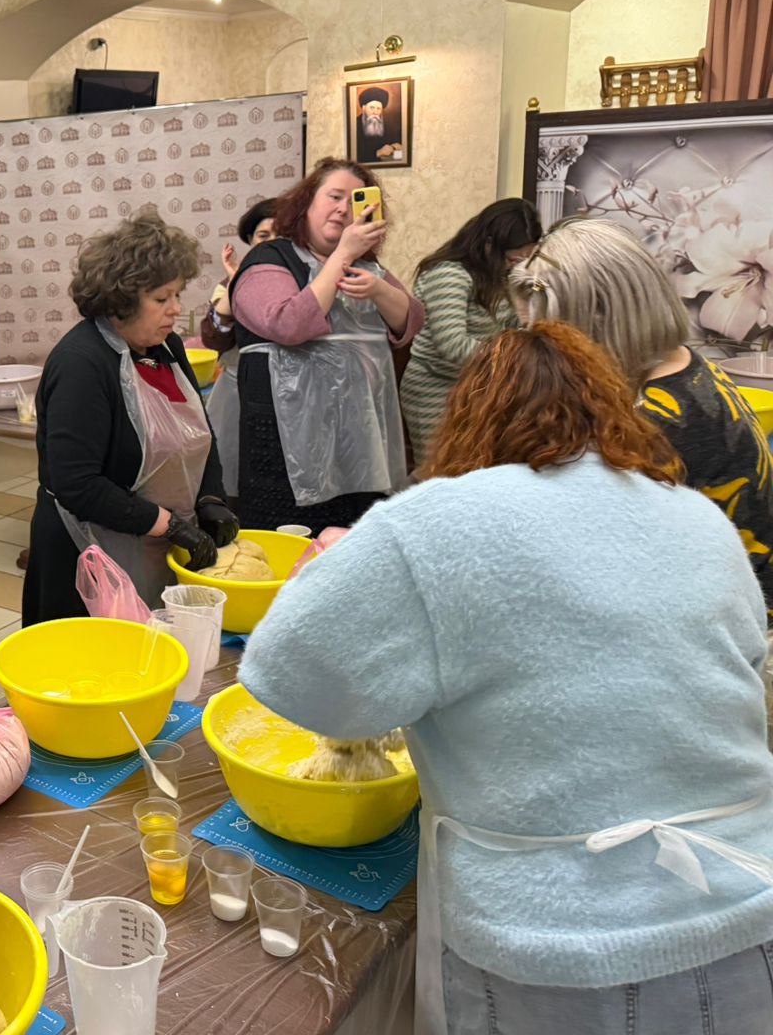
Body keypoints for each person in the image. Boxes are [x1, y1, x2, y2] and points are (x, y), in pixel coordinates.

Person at [242, 323, 773, 1035]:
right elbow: (744, 676)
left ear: (468, 421)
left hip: (552, 947)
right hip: (746, 903)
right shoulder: (698, 519)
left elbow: (284, 670)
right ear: (614, 408)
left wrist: (334, 576)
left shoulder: (437, 523)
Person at [511, 217, 773, 610]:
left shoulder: (658, 419)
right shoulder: (686, 365)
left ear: (595, 323)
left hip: (724, 610)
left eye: (547, 337)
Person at [23, 210, 237, 625]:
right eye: (161, 299)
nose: (176, 310)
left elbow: (199, 433)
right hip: (86, 551)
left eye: (177, 295)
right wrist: (168, 525)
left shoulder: (166, 348)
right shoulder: (81, 363)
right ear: (120, 301)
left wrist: (210, 499)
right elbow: (77, 484)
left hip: (152, 540)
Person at [227, 158, 424, 533]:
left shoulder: (369, 268)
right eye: (334, 196)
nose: (343, 209)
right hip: (285, 443)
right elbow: (289, 323)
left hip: (358, 440)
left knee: (353, 540)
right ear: (306, 203)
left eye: (354, 201)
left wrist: (379, 290)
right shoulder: (268, 259)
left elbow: (411, 322)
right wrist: (343, 255)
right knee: (289, 542)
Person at [399, 198, 541, 463]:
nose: (516, 266)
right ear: (489, 245)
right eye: (512, 259)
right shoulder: (449, 273)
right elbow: (453, 344)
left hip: (477, 388)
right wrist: (514, 360)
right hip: (435, 390)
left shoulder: (495, 276)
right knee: (440, 471)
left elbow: (510, 327)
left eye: (525, 259)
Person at [200, 198, 277, 502]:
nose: (272, 243)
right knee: (231, 479)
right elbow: (213, 339)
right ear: (250, 241)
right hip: (236, 395)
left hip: (291, 396)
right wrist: (236, 284)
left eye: (282, 235)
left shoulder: (309, 279)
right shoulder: (230, 282)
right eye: (263, 236)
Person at [353, 85, 402, 164]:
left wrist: (397, 149)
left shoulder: (387, 126)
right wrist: (378, 153)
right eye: (372, 108)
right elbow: (353, 156)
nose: (375, 112)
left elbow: (395, 153)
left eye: (378, 108)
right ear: (364, 108)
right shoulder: (354, 126)